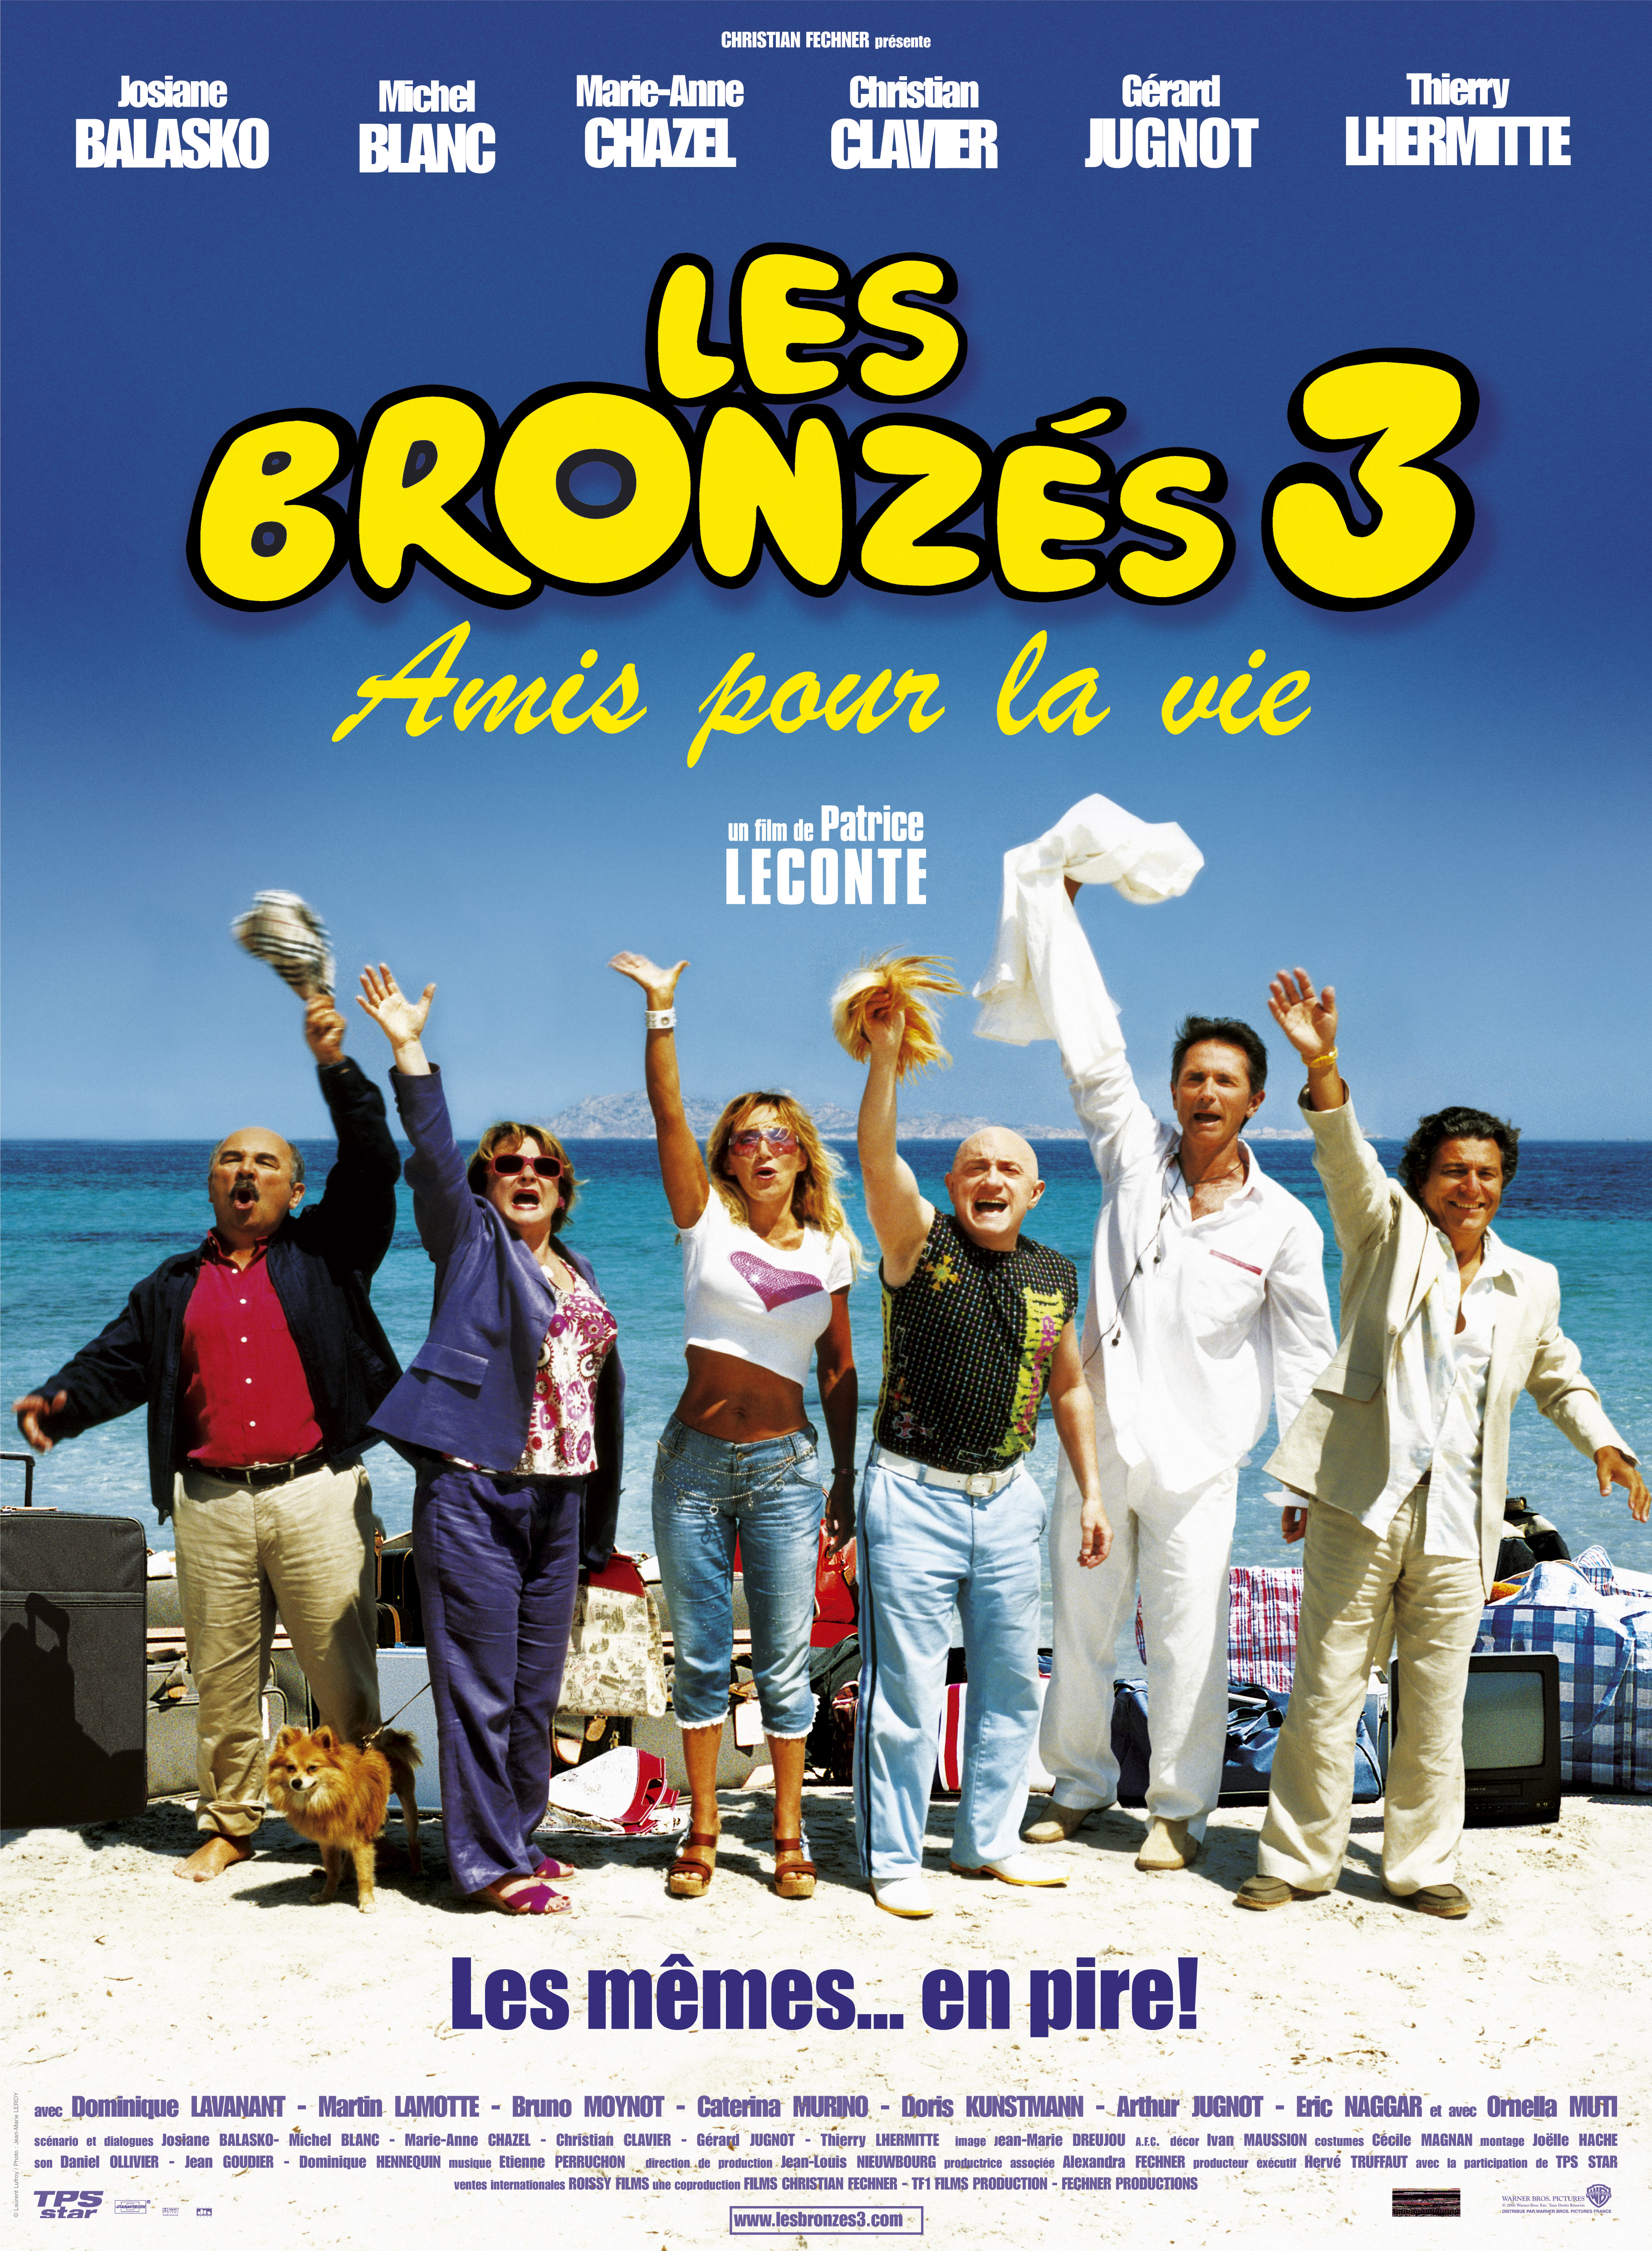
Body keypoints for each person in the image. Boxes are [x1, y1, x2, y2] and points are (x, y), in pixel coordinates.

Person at [1237, 969, 1649, 1918]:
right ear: (1423, 1179)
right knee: (1327, 1686)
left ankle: (1420, 1867)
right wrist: (1322, 1063)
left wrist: (1606, 1444)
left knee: (1435, 1699)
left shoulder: (1530, 1281)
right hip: (1362, 1501)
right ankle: (1296, 1860)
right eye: (1454, 1171)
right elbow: (1344, 1158)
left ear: (1504, 1183)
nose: (1472, 1187)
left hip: (1463, 1521)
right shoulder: (1385, 1235)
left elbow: (1558, 1374)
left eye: (1488, 1173)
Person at [982, 804, 1335, 1873]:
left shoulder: (1285, 1224)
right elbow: (1095, 1051)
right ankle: (1079, 1785)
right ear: (1175, 1093)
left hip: (1202, 1461)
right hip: (1099, 1443)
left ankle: (1179, 1809)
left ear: (1256, 1101)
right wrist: (1057, 915)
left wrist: (1304, 1478)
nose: (1206, 1092)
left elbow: (1308, 1355)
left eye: (1226, 1080)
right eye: (1192, 1078)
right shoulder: (1134, 1158)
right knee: (1082, 1624)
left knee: (1188, 1634)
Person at [12, 995, 400, 1881]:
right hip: (211, 1501)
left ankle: (353, 1831)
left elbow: (375, 1165)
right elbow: (115, 1363)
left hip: (316, 1491)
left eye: (266, 1161)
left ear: (295, 1189)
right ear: (212, 1184)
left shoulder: (330, 1253)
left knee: (341, 1678)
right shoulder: (172, 1284)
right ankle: (230, 1822)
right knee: (223, 1678)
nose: (245, 1170)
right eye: (231, 1158)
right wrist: (57, 1407)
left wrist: (336, 1067)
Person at [358, 966, 624, 1916]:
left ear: (564, 1186)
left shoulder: (579, 1271)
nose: (526, 1174)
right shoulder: (470, 1242)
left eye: (543, 1166)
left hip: (559, 1497)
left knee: (534, 1688)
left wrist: (599, 1524)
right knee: (477, 1687)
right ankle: (485, 1865)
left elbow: (596, 1398)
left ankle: (517, 1833)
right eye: (507, 1164)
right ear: (486, 1183)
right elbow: (431, 1160)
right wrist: (409, 1051)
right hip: (474, 1490)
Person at [608, 950, 858, 1902]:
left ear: (801, 1154)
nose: (763, 1149)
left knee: (787, 1661)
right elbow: (667, 1114)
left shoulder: (831, 1246)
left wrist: (845, 1479)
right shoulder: (703, 1222)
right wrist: (661, 1012)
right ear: (731, 1156)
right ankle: (703, 1828)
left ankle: (789, 1834)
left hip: (789, 1471)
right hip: (693, 1467)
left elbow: (838, 1371)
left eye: (779, 1136)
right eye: (747, 1137)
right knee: (704, 1656)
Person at [852, 988, 1106, 1918]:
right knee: (907, 1692)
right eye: (974, 1166)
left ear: (1035, 1192)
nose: (991, 1177)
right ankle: (892, 1859)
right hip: (909, 1495)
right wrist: (886, 1058)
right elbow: (876, 1157)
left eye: (1009, 1168)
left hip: (1008, 1499)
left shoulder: (1054, 1272)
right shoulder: (919, 1243)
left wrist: (1089, 1493)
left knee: (1010, 1686)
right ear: (952, 1186)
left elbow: (1067, 1387)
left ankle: (987, 1843)